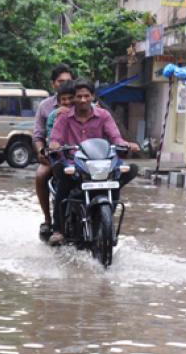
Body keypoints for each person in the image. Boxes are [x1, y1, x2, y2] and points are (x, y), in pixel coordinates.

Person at [47, 79, 140, 245]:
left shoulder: (104, 115)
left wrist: (126, 144)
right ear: (74, 98)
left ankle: (106, 221)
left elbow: (115, 137)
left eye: (86, 96)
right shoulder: (64, 118)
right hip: (73, 163)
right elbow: (55, 138)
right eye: (79, 96)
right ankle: (58, 229)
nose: (83, 100)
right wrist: (54, 145)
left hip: (100, 163)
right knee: (63, 184)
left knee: (121, 175)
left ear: (93, 96)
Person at [33, 64, 76, 240]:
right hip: (54, 155)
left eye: (68, 81)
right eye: (60, 81)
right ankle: (48, 220)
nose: (64, 84)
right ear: (53, 84)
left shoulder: (82, 102)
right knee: (41, 175)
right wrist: (42, 151)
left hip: (79, 155)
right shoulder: (46, 107)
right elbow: (38, 135)